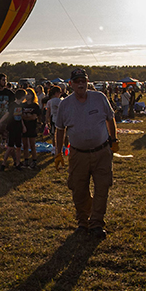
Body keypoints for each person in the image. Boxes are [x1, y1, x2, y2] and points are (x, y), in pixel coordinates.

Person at [54, 68, 119, 240]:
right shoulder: (65, 104)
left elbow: (110, 118)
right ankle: (83, 222)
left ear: (88, 82)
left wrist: (114, 139)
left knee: (102, 187)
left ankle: (97, 223)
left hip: (101, 152)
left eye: (83, 80)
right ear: (71, 84)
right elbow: (60, 129)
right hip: (77, 154)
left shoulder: (99, 98)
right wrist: (58, 152)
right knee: (78, 189)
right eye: (77, 81)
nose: (81, 84)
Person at [0, 73, 16, 166]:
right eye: (3, 80)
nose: (5, 82)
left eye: (5, 80)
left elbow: (14, 106)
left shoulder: (10, 93)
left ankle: (15, 160)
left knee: (9, 141)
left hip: (7, 120)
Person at [20, 88, 41, 168]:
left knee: (32, 144)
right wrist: (26, 117)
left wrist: (27, 117)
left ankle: (34, 160)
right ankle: (26, 160)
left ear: (32, 95)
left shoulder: (35, 106)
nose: (27, 96)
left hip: (32, 126)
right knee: (25, 144)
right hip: (24, 126)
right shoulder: (23, 105)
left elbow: (34, 117)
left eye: (29, 94)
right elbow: (21, 116)